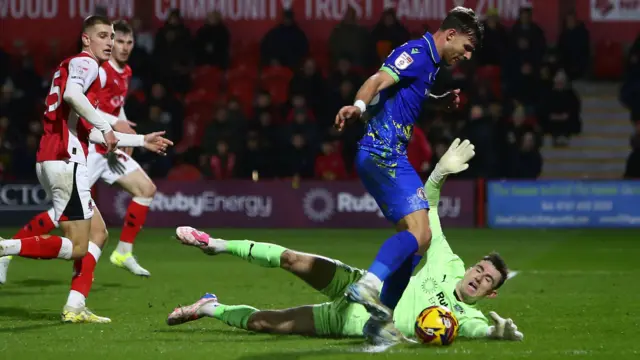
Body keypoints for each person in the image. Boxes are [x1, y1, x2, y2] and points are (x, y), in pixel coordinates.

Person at [166, 139, 523, 345]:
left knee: (266, 324)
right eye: (481, 268)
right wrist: (439, 174)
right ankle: (217, 243)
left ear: (490, 293)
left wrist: (496, 333)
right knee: (292, 259)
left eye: (488, 279)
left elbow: (480, 331)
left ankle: (209, 307)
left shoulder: (466, 316)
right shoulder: (449, 264)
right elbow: (427, 213)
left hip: (346, 324)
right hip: (357, 286)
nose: (478, 276)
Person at [0, 16, 173, 323]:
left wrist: (139, 140)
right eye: (104, 36)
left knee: (98, 234)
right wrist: (105, 122)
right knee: (80, 246)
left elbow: (88, 128)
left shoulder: (72, 67)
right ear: (86, 39)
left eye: (113, 37)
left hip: (57, 154)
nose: (109, 42)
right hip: (67, 159)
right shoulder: (87, 64)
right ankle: (6, 247)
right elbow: (72, 97)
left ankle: (76, 305)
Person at [333, 6, 482, 339]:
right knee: (419, 234)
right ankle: (368, 286)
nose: (468, 56)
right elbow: (378, 80)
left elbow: (410, 94)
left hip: (389, 155)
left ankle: (377, 321)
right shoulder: (416, 52)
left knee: (419, 241)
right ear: (451, 34)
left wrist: (437, 100)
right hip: (382, 152)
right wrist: (357, 108)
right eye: (467, 47)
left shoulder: (431, 64)